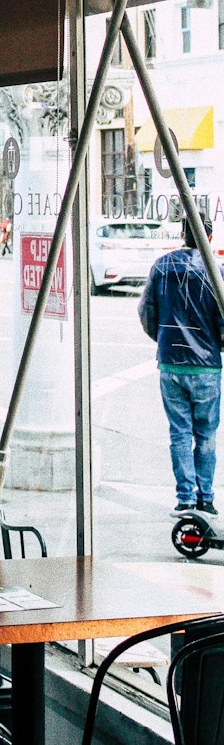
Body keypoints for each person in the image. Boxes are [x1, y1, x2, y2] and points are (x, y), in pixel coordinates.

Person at [139, 211, 224, 516]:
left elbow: (147, 312)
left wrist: (162, 341)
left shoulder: (162, 267)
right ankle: (206, 497)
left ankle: (184, 498)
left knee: (179, 433)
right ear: (209, 236)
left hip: (171, 365)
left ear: (182, 234)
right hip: (206, 367)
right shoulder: (218, 271)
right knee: (206, 434)